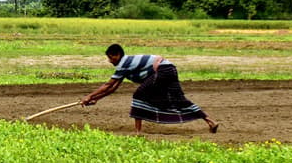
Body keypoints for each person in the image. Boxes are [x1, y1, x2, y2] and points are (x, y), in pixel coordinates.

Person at [82, 44, 219, 134]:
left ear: (117, 55)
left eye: (111, 58)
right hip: (170, 69)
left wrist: (88, 96)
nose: (110, 61)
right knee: (179, 100)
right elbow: (113, 89)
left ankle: (138, 132)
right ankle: (210, 121)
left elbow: (108, 85)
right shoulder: (126, 65)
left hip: (163, 70)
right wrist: (95, 99)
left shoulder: (123, 64)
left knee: (139, 94)